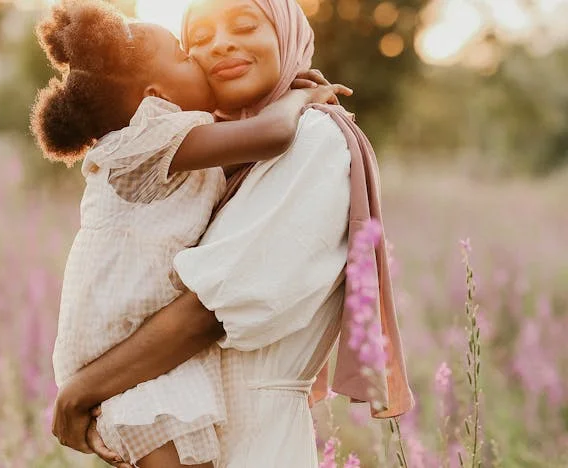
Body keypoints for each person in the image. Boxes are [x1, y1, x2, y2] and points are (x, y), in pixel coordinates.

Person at [51, 0, 415, 466]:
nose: (220, 43)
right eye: (197, 39)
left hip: (255, 440)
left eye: (244, 25)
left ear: (288, 33)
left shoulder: (314, 140)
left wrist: (80, 392)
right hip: (198, 422)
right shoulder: (203, 151)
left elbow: (210, 312)